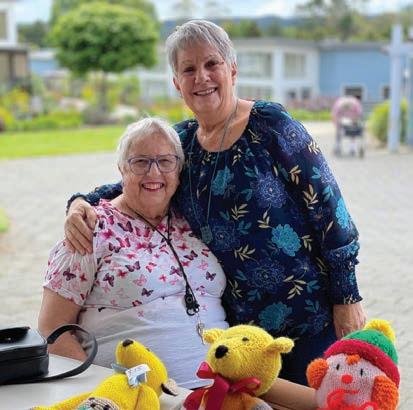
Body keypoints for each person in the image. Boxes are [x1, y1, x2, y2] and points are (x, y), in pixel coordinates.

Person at [64, 20, 366, 386]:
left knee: (323, 399)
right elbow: (133, 182)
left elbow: (332, 213)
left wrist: (347, 297)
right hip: (239, 336)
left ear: (232, 69)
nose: (201, 77)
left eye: (212, 64)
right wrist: (80, 202)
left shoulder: (270, 125)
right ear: (177, 83)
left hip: (308, 319)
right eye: (188, 69)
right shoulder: (183, 143)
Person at [38, 118, 229, 389]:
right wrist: (101, 393)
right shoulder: (91, 228)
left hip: (226, 387)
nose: (154, 172)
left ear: (179, 169)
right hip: (140, 397)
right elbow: (52, 329)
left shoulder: (194, 220)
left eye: (165, 161)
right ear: (121, 169)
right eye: (140, 162)